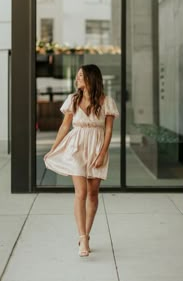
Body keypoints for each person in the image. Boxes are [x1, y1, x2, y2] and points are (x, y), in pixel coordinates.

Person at [43, 64, 119, 257]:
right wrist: (53, 148)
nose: (77, 79)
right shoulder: (73, 99)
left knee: (93, 194)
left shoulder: (106, 101)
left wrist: (102, 153)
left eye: (80, 76)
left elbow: (109, 130)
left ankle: (87, 233)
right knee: (81, 192)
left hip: (96, 148)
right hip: (75, 148)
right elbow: (64, 126)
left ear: (91, 79)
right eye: (77, 76)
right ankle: (82, 237)